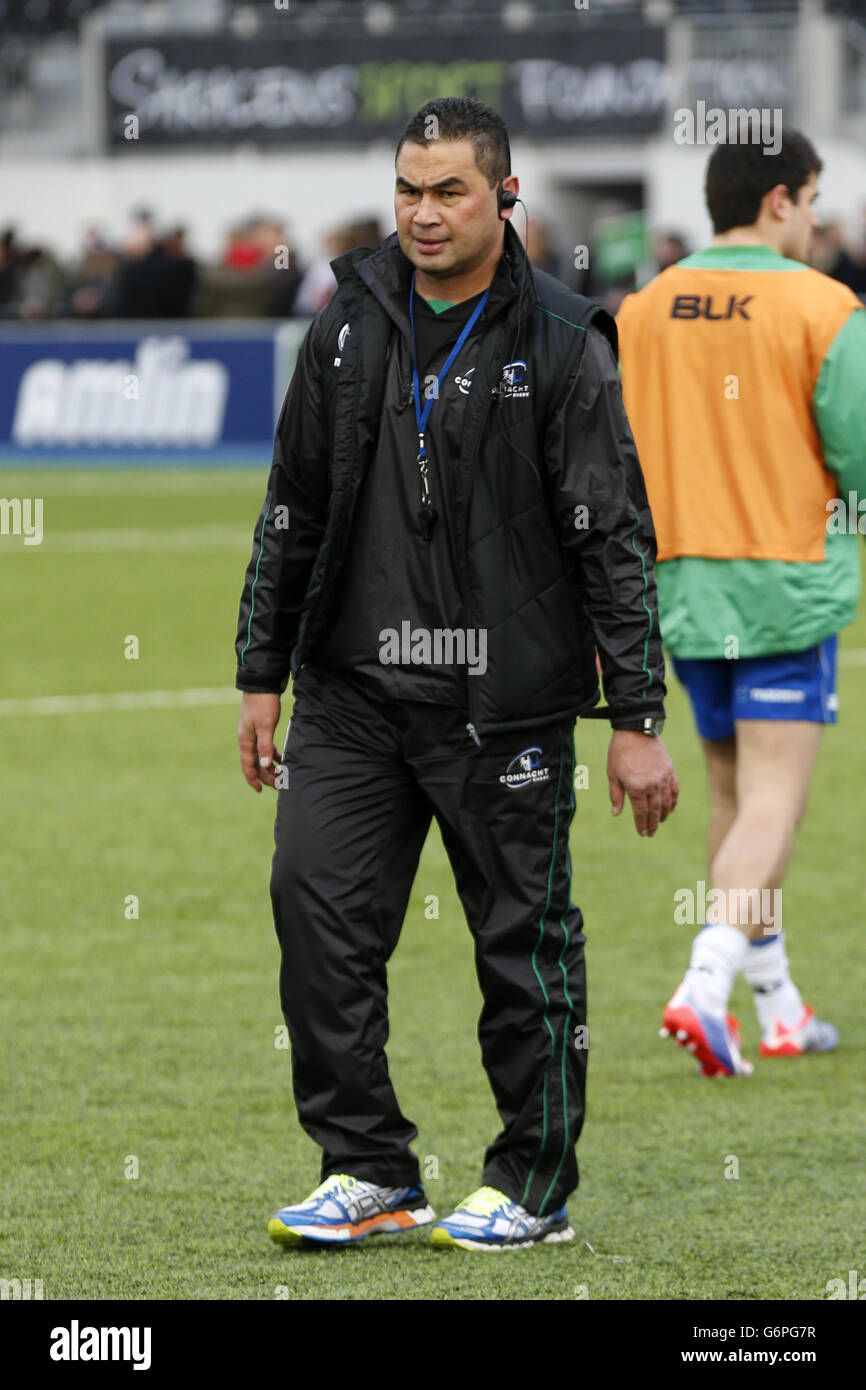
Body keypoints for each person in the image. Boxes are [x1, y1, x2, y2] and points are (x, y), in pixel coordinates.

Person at [235, 96, 677, 1253]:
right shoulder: (346, 319)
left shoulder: (567, 337)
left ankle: (532, 1185)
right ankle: (368, 1168)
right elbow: (290, 508)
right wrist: (258, 672)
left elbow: (610, 538)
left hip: (503, 705)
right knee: (311, 909)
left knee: (521, 949)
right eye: (406, 189)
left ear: (504, 197)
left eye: (447, 191)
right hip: (349, 694)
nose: (421, 214)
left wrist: (633, 714)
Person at [616, 132, 866, 1076]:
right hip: (783, 577)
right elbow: (863, 453)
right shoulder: (824, 304)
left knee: (731, 791)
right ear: (777, 201)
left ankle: (778, 1003)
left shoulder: (644, 309)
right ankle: (704, 981)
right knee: (774, 800)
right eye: (809, 199)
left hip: (680, 579)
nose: (813, 218)